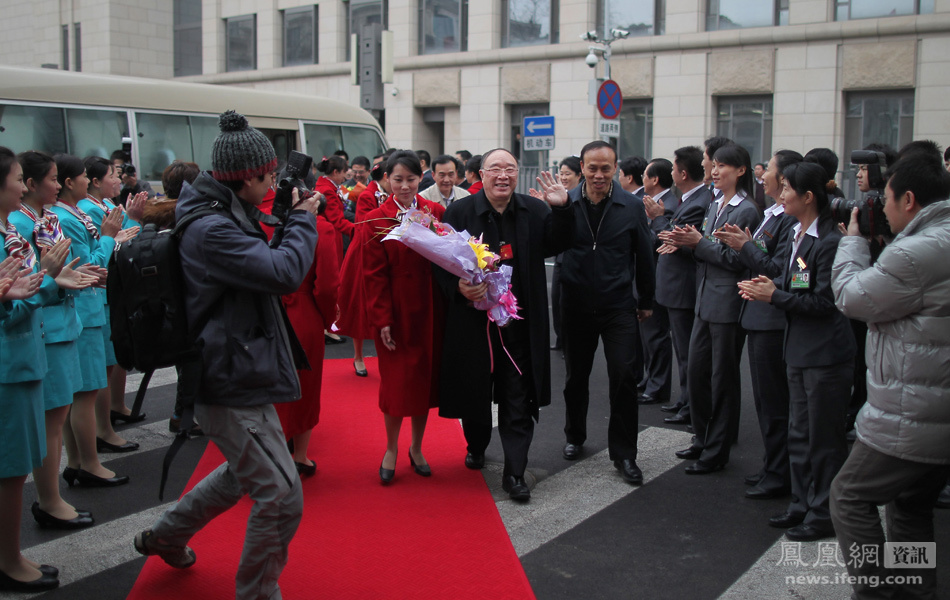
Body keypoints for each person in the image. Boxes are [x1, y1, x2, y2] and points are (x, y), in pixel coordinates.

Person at [133, 110, 319, 600]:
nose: (276, 181)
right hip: (227, 376)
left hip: (238, 366)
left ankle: (167, 535)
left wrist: (282, 221)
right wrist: (301, 222)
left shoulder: (220, 212)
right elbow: (282, 274)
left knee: (243, 475)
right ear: (247, 178)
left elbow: (258, 267)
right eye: (271, 175)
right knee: (280, 497)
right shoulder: (211, 228)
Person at [830, 149, 950, 599]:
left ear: (911, 200)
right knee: (911, 509)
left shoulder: (918, 252)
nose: (882, 206)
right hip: (933, 408)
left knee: (849, 496)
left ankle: (877, 591)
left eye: (888, 199)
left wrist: (855, 242)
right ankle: (916, 591)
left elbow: (853, 297)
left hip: (914, 413)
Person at [437, 148, 574, 501]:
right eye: (495, 169)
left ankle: (515, 473)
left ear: (517, 175)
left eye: (509, 169)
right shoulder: (460, 211)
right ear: (480, 175)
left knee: (518, 395)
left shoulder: (536, 211)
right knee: (475, 392)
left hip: (519, 325)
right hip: (474, 324)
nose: (503, 176)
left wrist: (561, 208)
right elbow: (438, 265)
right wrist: (459, 287)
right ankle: (477, 444)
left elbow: (559, 243)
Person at [738, 161, 855, 541]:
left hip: (825, 355)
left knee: (824, 438)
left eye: (787, 188)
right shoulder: (796, 234)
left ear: (808, 197)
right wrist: (769, 283)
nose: (781, 194)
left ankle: (824, 513)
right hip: (798, 351)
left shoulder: (831, 243)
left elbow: (824, 303)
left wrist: (776, 296)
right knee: (800, 433)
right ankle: (802, 503)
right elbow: (793, 281)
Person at [11, 151, 98, 531]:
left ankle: (53, 496)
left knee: (56, 414)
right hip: (43, 329)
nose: (57, 183)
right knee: (49, 421)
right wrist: (53, 280)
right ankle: (49, 500)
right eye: (51, 178)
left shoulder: (40, 219)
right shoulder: (19, 223)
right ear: (32, 185)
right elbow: (27, 285)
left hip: (58, 323)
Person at [559, 141, 655, 485]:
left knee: (624, 376)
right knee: (575, 376)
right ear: (582, 167)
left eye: (606, 168)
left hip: (618, 306)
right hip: (576, 304)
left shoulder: (631, 207)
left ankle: (625, 453)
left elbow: (644, 255)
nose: (599, 175)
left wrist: (646, 299)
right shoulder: (565, 203)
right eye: (592, 168)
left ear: (616, 169)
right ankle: (575, 435)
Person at [662, 143, 761, 474]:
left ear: (741, 171)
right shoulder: (716, 204)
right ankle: (703, 439)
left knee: (722, 379)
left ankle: (717, 449)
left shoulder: (746, 210)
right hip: (705, 300)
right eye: (714, 165)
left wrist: (699, 244)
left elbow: (738, 258)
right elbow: (705, 248)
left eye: (723, 166)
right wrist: (687, 241)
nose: (715, 171)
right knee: (698, 373)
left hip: (727, 304)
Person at [0, 146, 70, 592]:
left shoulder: (9, 230)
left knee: (15, 467)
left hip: (22, 359)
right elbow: (13, 302)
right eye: (16, 177)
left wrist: (49, 280)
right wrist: (44, 280)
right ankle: (8, 559)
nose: (21, 184)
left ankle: (10, 553)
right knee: (9, 470)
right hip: (9, 366)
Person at [715, 149, 802, 498]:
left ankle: (780, 473)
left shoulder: (787, 219)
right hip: (758, 315)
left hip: (772, 318)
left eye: (770, 170)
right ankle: (772, 465)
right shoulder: (772, 213)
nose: (762, 174)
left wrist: (745, 246)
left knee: (775, 402)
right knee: (767, 403)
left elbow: (779, 270)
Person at [357, 150, 445, 483]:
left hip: (430, 308)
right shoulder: (377, 218)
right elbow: (373, 274)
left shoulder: (434, 211)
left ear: (420, 177)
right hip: (395, 310)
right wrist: (382, 320)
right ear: (386, 180)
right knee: (396, 385)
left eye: (411, 178)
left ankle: (417, 447)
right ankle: (391, 447)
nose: (405, 186)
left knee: (423, 382)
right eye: (398, 179)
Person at [51, 153, 138, 488]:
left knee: (86, 389)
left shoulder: (68, 213)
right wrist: (109, 238)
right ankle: (88, 461)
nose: (89, 181)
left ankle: (81, 460)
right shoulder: (68, 216)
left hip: (85, 307)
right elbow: (92, 266)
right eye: (85, 176)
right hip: (85, 308)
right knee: (85, 391)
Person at [80, 156, 146, 450]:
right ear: (94, 182)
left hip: (109, 294)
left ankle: (112, 413)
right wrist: (129, 222)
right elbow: (105, 251)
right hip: (98, 296)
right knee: (101, 370)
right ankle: (102, 430)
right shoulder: (85, 212)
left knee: (111, 362)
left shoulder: (104, 207)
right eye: (112, 174)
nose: (118, 179)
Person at [654, 147, 713, 426]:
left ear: (683, 173)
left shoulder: (699, 201)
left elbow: (674, 237)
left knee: (690, 352)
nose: (672, 174)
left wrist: (659, 218)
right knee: (682, 349)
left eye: (674, 169)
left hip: (683, 287)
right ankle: (684, 398)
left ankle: (691, 403)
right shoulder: (688, 199)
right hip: (676, 286)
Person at [637, 158, 676, 407]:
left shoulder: (668, 204)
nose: (642, 179)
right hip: (647, 274)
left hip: (659, 274)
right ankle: (650, 379)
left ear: (654, 179)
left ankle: (658, 386)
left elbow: (660, 239)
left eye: (645, 175)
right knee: (647, 335)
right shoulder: (649, 202)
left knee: (657, 335)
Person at [550, 156, 582, 352]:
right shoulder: (557, 195)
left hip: (575, 258)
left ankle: (572, 343)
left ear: (579, 175)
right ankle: (561, 339)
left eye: (567, 174)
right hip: (559, 258)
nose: (563, 177)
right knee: (556, 300)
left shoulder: (581, 197)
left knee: (571, 304)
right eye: (561, 173)